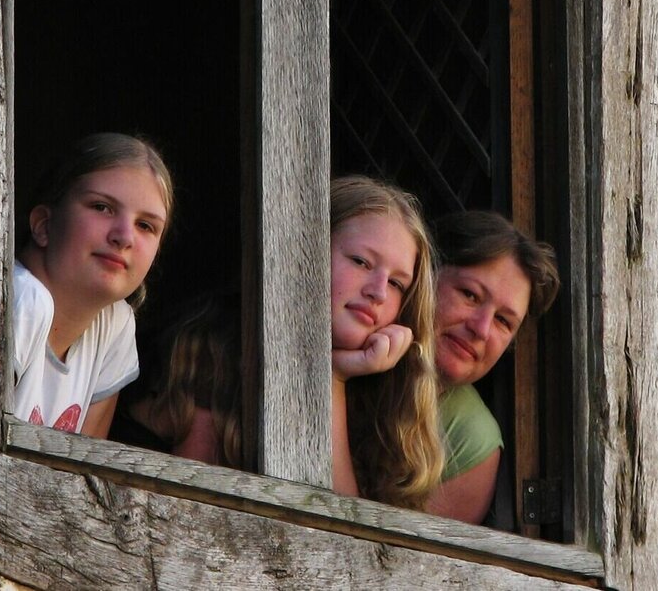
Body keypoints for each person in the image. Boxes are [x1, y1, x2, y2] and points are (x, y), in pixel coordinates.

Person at [133, 176, 443, 510]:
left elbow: (346, 541)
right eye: (361, 262)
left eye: (397, 283)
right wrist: (333, 374)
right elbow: (191, 507)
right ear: (307, 252)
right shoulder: (214, 344)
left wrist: (335, 376)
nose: (378, 291)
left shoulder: (391, 398)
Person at [10, 132, 173, 438]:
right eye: (101, 207)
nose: (124, 237)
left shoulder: (115, 325)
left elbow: (82, 472)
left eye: (146, 226)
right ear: (44, 224)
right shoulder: (22, 301)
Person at [423, 211, 560, 524]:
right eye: (470, 295)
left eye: (503, 321)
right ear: (426, 275)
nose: (481, 329)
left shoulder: (472, 440)